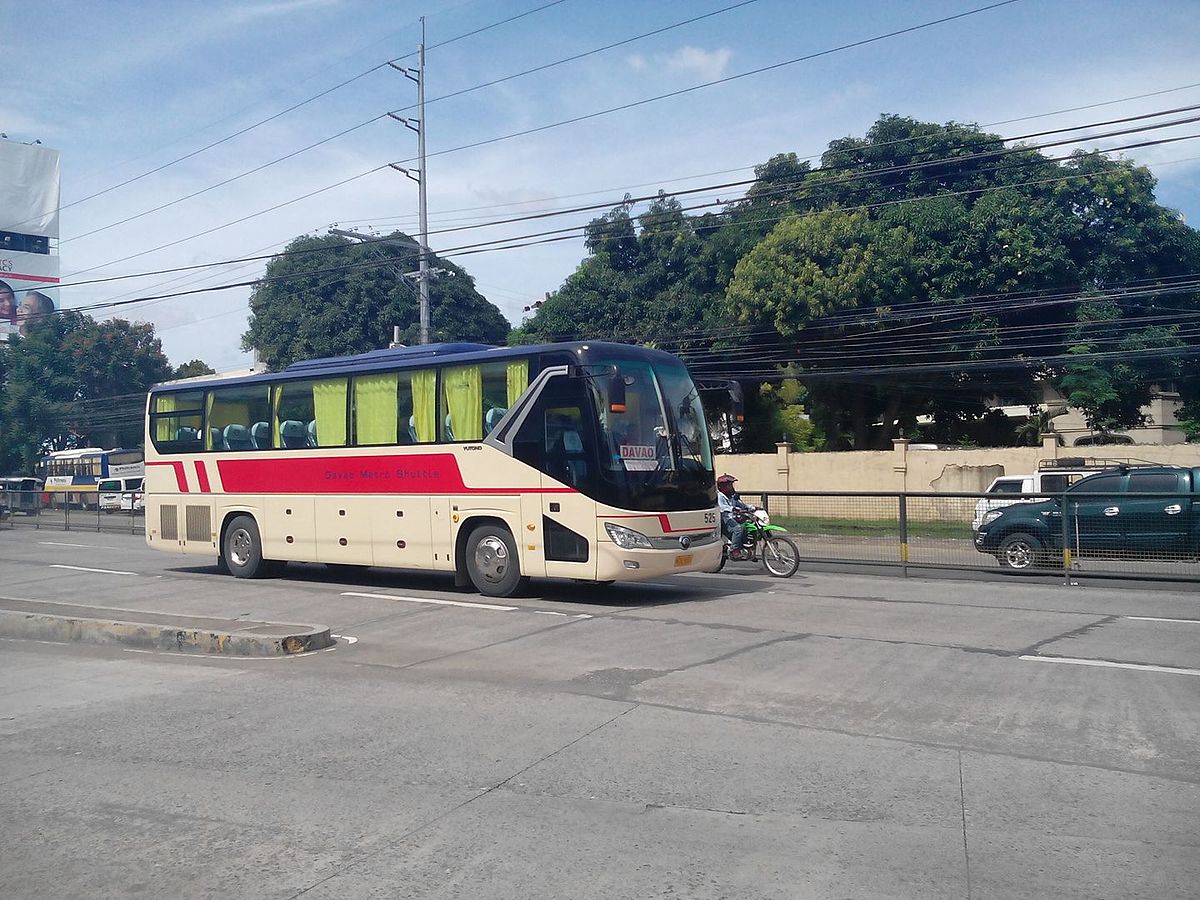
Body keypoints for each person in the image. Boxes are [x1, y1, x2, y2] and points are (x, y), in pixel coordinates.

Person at [717, 473, 753, 559]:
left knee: (747, 525)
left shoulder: (732, 497)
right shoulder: (719, 496)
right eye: (729, 485)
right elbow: (722, 507)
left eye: (731, 485)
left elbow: (741, 505)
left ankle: (745, 545)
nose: (731, 487)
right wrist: (733, 509)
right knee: (738, 529)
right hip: (724, 519)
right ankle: (734, 550)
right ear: (723, 487)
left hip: (733, 518)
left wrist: (752, 507)